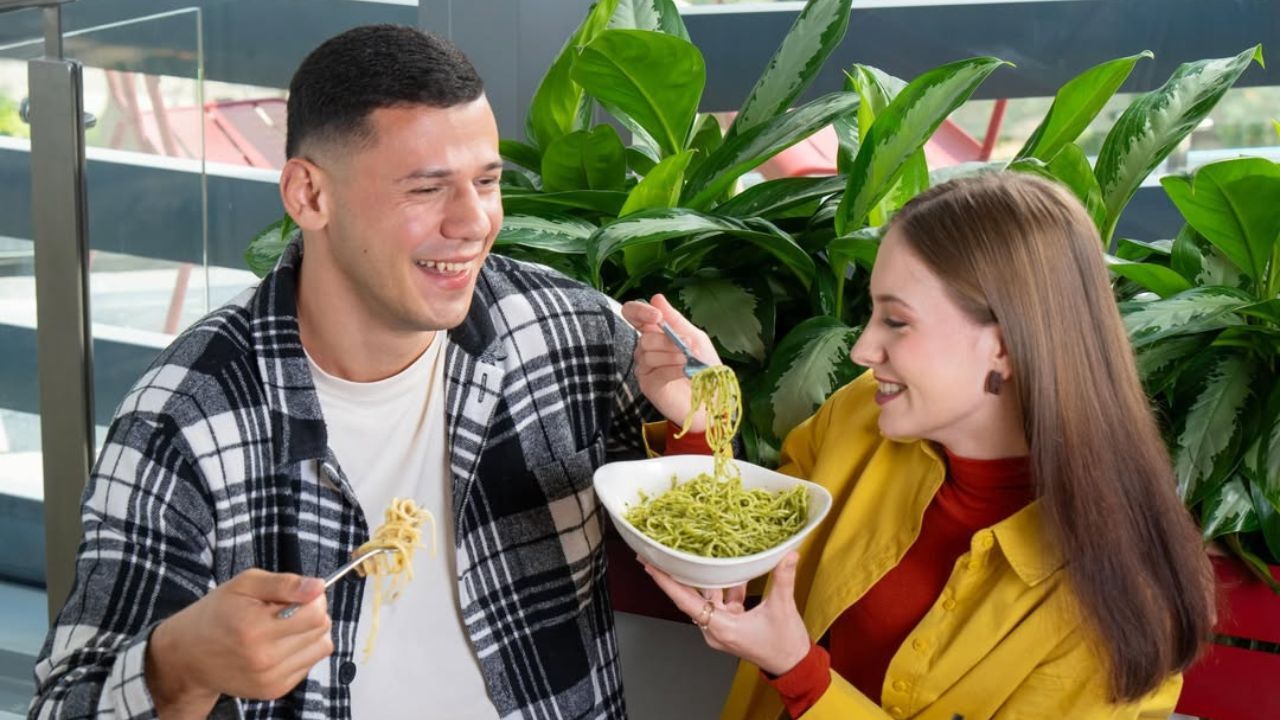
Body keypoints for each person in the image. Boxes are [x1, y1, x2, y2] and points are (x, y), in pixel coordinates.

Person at [30, 24, 708, 720]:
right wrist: (176, 668)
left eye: (487, 180)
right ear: (309, 196)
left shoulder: (568, 331)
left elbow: (705, 569)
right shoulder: (184, 422)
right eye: (427, 189)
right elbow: (65, 705)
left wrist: (694, 425)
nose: (475, 222)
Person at [625, 172, 1216, 719]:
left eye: (897, 321)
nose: (863, 350)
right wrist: (700, 424)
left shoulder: (1122, 604)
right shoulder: (864, 412)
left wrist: (801, 674)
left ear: (1005, 347)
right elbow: (747, 566)